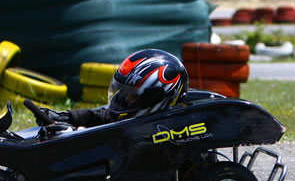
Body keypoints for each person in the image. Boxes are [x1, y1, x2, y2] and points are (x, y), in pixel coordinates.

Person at [41, 48, 189, 128]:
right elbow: (104, 117)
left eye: (134, 95)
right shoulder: (130, 116)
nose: (126, 99)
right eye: (125, 93)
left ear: (155, 97)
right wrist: (65, 118)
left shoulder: (181, 127)